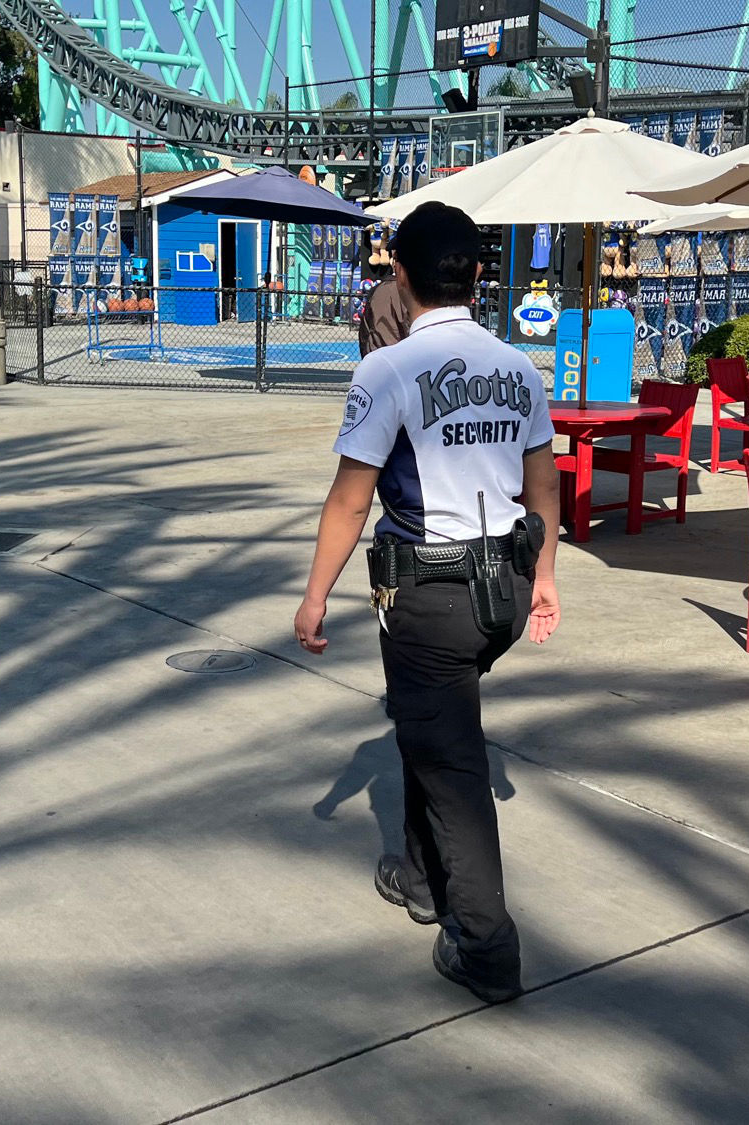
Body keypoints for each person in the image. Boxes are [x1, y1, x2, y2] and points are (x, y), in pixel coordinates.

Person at [294, 201, 561, 1005]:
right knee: (432, 720)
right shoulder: (519, 367)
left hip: (431, 591)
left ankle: (485, 945)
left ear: (400, 277)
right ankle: (418, 874)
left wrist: (313, 599)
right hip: (504, 588)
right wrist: (545, 576)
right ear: (477, 274)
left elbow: (350, 500)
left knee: (452, 761)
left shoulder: (388, 370)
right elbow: (544, 482)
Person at [358, 273, 411, 356]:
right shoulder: (410, 292)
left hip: (379, 357)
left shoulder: (380, 290)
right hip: (391, 357)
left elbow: (364, 334)